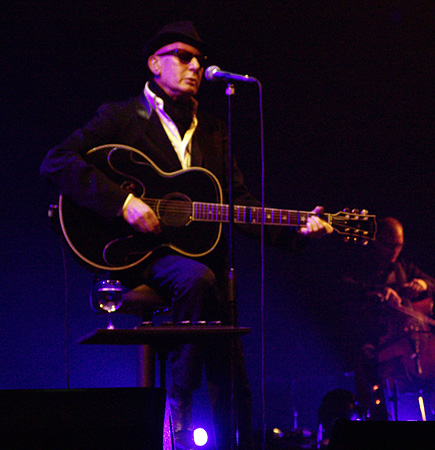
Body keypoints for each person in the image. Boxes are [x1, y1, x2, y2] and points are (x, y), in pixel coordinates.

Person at [40, 21, 333, 450]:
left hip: (204, 265)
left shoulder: (213, 129)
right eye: (183, 55)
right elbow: (57, 161)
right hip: (137, 255)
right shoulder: (120, 117)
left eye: (200, 59)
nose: (195, 65)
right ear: (155, 63)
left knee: (236, 389)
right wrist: (123, 203)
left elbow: (241, 206)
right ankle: (178, 401)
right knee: (196, 278)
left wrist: (299, 229)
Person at [336, 217, 435, 421]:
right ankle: (375, 418)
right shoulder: (362, 267)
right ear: (375, 241)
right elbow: (344, 287)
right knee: (364, 360)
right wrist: (379, 292)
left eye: (399, 246)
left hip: (410, 338)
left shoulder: (404, 268)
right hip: (376, 338)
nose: (394, 251)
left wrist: (424, 284)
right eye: (389, 246)